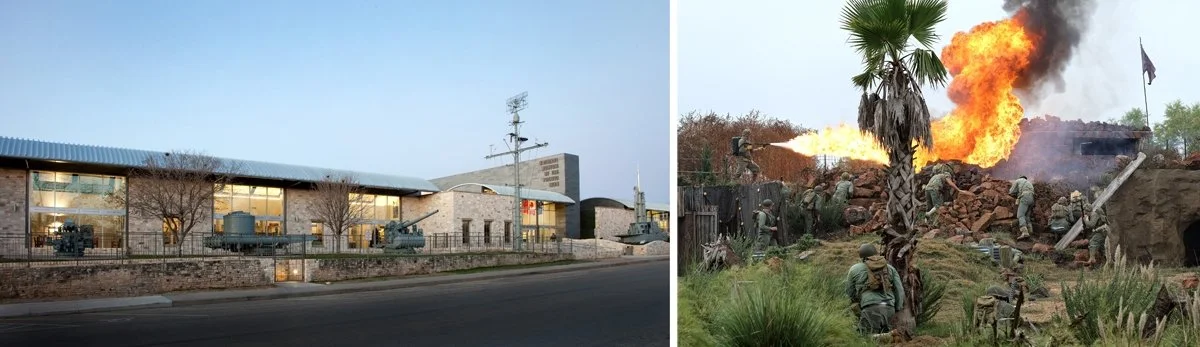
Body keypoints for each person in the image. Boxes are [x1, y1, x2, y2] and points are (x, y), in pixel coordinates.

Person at [846, 243, 905, 342]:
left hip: (870, 307)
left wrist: (857, 302)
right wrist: (897, 307)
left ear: (861, 256)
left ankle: (889, 335)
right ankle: (889, 335)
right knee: (883, 340)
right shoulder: (890, 268)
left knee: (863, 337)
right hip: (889, 307)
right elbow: (899, 290)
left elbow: (849, 291)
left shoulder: (855, 269)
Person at [1082, 201, 1109, 266]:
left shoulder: (1094, 214)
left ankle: (1092, 259)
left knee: (1093, 241)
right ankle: (1107, 260)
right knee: (1102, 247)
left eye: (1085, 211)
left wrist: (1085, 220)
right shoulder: (1093, 214)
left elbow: (1091, 224)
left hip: (1101, 231)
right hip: (1101, 231)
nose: (1085, 213)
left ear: (1087, 211)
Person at [1009, 175, 1035, 240]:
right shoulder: (1029, 183)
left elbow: (1011, 191)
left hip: (1025, 197)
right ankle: (1030, 230)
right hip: (1032, 198)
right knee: (1027, 216)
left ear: (1020, 178)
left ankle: (1024, 232)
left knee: (1020, 215)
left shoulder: (1018, 180)